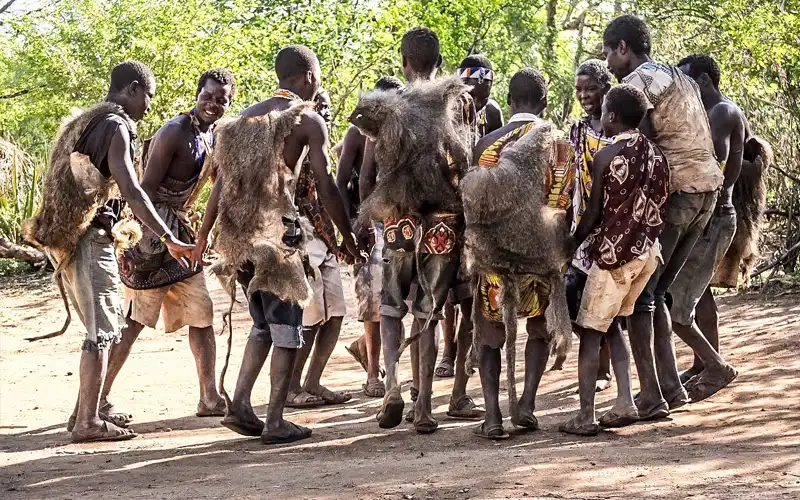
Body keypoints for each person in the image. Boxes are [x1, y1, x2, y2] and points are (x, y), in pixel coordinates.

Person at [193, 45, 361, 445]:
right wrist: (347, 237)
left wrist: (203, 236)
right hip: (278, 238)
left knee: (262, 326)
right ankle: (274, 420)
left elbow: (220, 185)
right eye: (317, 78)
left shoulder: (242, 120)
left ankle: (240, 405)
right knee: (287, 327)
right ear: (308, 78)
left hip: (240, 239)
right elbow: (326, 185)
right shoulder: (307, 120)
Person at [23, 61, 195, 442]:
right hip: (86, 239)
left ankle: (84, 412)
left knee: (103, 328)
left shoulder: (87, 120)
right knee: (101, 333)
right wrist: (169, 236)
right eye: (148, 96)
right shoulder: (116, 126)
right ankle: (88, 422)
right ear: (133, 89)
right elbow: (132, 190)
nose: (149, 106)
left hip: (69, 236)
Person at [603, 15, 724, 419]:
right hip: (706, 189)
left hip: (677, 193)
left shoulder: (637, 81)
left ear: (623, 48)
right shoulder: (681, 78)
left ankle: (653, 395)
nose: (607, 63)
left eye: (608, 52)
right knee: (656, 293)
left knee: (641, 296)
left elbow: (639, 143)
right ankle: (671, 389)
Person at [359, 26, 479, 433]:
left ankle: (393, 386)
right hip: (444, 221)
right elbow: (468, 162)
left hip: (399, 218)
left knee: (391, 308)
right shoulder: (458, 103)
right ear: (440, 63)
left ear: (404, 62)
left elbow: (368, 175)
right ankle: (424, 406)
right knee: (429, 313)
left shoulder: (388, 106)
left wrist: (371, 219)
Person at [100, 69, 236, 421]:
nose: (213, 104)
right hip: (152, 237)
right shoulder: (175, 131)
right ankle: (97, 400)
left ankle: (209, 397)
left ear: (229, 103)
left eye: (221, 100)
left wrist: (205, 234)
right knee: (135, 320)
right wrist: (162, 237)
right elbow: (142, 190)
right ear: (197, 94)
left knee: (201, 313)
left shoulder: (215, 136)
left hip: (182, 236)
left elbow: (217, 188)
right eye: (207, 96)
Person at [560, 84, 670, 435]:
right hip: (647, 254)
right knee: (613, 327)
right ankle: (624, 402)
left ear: (611, 116)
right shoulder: (656, 154)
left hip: (614, 257)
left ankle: (585, 416)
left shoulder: (607, 154)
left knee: (591, 333)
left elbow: (593, 214)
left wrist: (569, 246)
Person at [471, 68, 571, 439]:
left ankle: (493, 416)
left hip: (496, 256)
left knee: (490, 334)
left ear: (510, 101)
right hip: (541, 254)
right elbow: (561, 205)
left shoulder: (487, 144)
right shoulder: (559, 144)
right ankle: (526, 405)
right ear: (544, 102)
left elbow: (475, 205)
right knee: (539, 328)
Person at [669, 54, 744, 398]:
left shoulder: (722, 112)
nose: (683, 90)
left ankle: (716, 368)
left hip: (714, 215)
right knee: (699, 294)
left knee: (677, 304)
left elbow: (710, 157)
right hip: (708, 214)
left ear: (704, 79)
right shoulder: (708, 111)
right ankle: (702, 363)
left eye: (688, 81)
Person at [436, 54, 504, 381]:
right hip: (450, 207)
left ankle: (470, 349)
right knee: (450, 288)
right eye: (473, 90)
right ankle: (448, 353)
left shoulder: (492, 113)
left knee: (475, 284)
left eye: (485, 90)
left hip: (481, 207)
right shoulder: (447, 111)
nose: (479, 97)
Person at [337, 76, 404, 399]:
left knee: (392, 301)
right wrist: (357, 225)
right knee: (373, 303)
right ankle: (372, 373)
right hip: (370, 225)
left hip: (397, 224)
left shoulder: (401, 130)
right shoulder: (358, 133)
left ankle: (376, 358)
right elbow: (350, 180)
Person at [285, 88, 352, 407]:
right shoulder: (291, 140)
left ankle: (312, 380)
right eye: (318, 106)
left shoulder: (319, 142)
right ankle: (291, 386)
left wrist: (340, 238)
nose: (323, 112)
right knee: (311, 316)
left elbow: (328, 193)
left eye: (326, 107)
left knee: (335, 313)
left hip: (323, 237)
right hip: (298, 234)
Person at [564, 59, 615, 392]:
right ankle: (594, 358)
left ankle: (603, 369)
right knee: (571, 293)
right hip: (583, 226)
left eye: (591, 89)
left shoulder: (621, 130)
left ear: (606, 89)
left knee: (603, 300)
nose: (584, 95)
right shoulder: (578, 130)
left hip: (614, 227)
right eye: (579, 90)